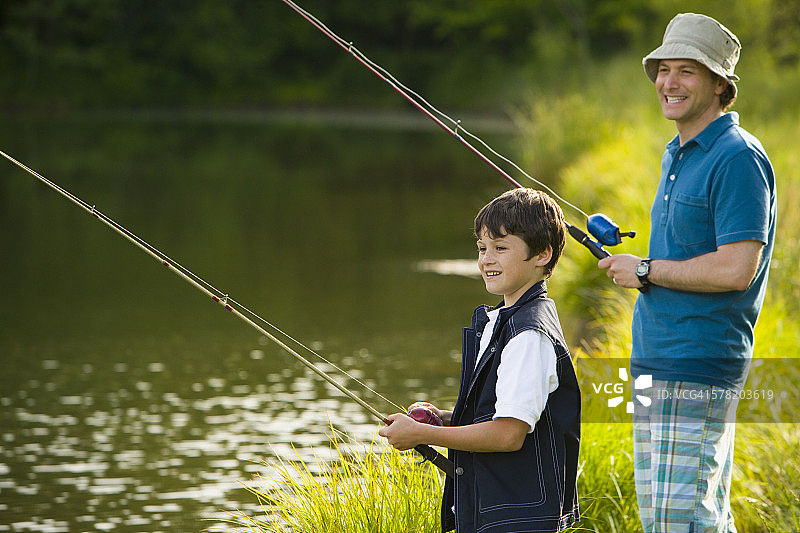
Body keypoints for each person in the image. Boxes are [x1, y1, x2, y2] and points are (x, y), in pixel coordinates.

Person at [598, 13, 776, 533]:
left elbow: (737, 268)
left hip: (697, 365)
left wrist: (646, 269)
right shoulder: (676, 152)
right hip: (654, 361)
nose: (669, 82)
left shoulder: (737, 158)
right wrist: (644, 266)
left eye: (687, 71)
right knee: (668, 519)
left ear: (720, 84)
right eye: (663, 70)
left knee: (684, 521)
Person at [379, 188, 580, 533]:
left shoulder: (528, 336)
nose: (487, 259)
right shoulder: (504, 320)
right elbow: (499, 413)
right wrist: (445, 420)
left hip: (517, 518)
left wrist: (422, 433)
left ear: (542, 255)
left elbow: (508, 434)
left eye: (501, 248)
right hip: (497, 510)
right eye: (482, 248)